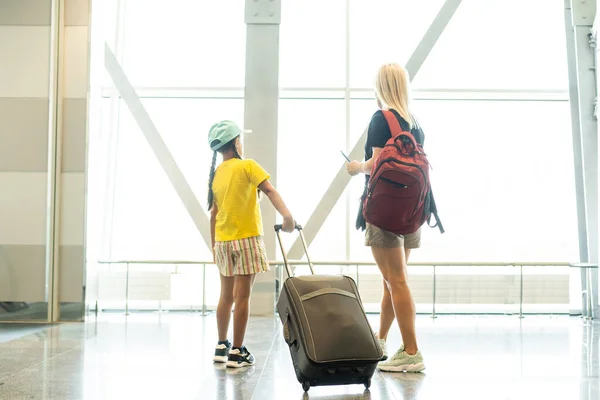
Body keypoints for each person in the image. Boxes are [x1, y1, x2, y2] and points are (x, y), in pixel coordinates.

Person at [346, 63, 426, 373]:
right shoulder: (415, 124)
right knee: (391, 283)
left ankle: (411, 351)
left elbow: (378, 162)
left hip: (384, 210)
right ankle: (380, 340)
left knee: (397, 282)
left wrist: (356, 167)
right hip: (412, 211)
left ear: (381, 87)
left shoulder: (381, 119)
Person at [208, 120, 295, 368]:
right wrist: (287, 216)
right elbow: (270, 191)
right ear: (236, 143)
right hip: (246, 239)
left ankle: (221, 345)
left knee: (225, 296)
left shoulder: (217, 174)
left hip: (223, 241)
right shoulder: (248, 165)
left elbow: (213, 214)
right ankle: (237, 352)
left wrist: (213, 246)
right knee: (243, 297)